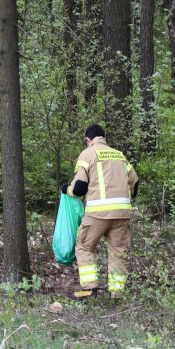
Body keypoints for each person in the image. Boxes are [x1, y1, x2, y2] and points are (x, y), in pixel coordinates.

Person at [61, 124, 138, 299]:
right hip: (122, 213)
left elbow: (79, 187)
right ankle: (116, 294)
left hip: (98, 214)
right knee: (118, 251)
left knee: (84, 246)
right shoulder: (120, 155)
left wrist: (67, 190)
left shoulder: (87, 154)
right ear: (103, 138)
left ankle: (89, 289)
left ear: (88, 140)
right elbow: (135, 183)